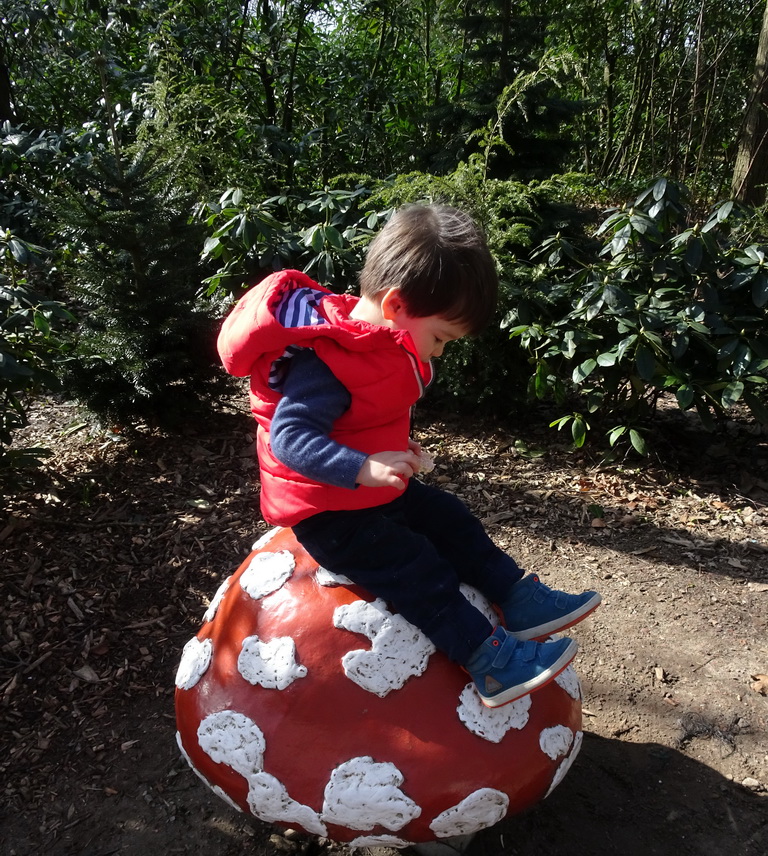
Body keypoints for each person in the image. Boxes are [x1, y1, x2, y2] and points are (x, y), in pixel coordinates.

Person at [217, 203, 600, 707]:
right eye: (440, 337)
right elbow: (292, 440)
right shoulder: (325, 362)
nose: (439, 352)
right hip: (331, 515)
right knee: (415, 566)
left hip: (368, 494)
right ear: (396, 305)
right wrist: (363, 466)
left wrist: (392, 449)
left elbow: (364, 413)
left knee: (448, 516)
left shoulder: (381, 342)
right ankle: (491, 663)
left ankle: (519, 599)